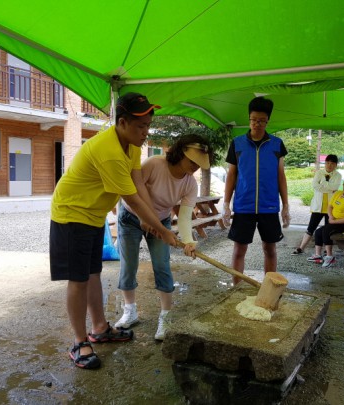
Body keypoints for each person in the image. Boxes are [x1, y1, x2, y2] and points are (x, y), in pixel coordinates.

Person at [50, 92, 178, 369]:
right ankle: (79, 342)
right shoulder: (109, 151)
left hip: (93, 214)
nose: (146, 132)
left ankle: (99, 328)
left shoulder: (132, 147)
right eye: (141, 126)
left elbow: (138, 185)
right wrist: (163, 231)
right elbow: (131, 198)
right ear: (122, 123)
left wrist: (154, 221)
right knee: (78, 279)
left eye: (148, 126)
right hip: (72, 213)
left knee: (93, 272)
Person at [114, 134, 213, 341]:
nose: (195, 166)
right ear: (181, 152)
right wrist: (143, 217)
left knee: (162, 265)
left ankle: (165, 317)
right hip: (131, 217)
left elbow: (184, 217)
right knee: (129, 264)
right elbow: (131, 191)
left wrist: (188, 241)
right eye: (192, 160)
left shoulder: (190, 184)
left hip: (161, 221)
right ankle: (130, 310)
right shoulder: (154, 164)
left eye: (199, 163)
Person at [222, 96, 290, 284]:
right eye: (253, 120)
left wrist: (285, 205)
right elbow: (231, 175)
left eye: (261, 121)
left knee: (270, 249)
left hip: (269, 207)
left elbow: (281, 176)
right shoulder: (237, 143)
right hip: (243, 206)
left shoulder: (277, 144)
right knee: (239, 250)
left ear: (268, 121)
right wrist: (226, 204)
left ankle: (269, 287)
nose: (257, 124)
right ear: (249, 119)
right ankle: (236, 288)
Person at [291, 154, 342, 255]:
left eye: (332, 163)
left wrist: (323, 183)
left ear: (336, 165)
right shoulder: (319, 173)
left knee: (328, 230)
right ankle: (301, 248)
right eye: (327, 163)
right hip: (318, 206)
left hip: (331, 207)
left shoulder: (338, 175)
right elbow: (315, 186)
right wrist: (330, 188)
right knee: (311, 228)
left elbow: (335, 187)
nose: (329, 165)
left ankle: (327, 251)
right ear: (325, 163)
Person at [307, 177, 344, 267]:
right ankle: (318, 255)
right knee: (318, 232)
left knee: (327, 230)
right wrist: (331, 216)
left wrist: (333, 222)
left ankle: (329, 256)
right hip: (335, 221)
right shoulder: (338, 193)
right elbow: (330, 206)